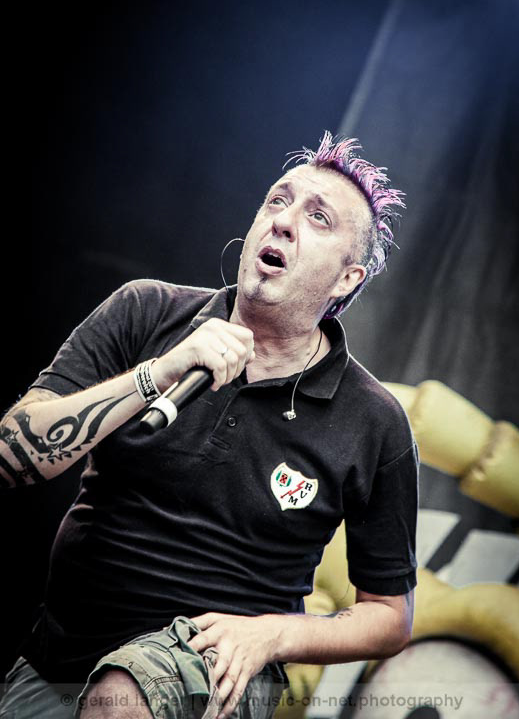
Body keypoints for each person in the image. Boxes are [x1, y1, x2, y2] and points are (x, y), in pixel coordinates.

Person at [0, 132, 419, 719]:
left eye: (317, 217)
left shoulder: (374, 421)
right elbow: (11, 456)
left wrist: (273, 635)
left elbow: (389, 616)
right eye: (278, 201)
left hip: (222, 668)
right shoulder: (146, 312)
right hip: (57, 661)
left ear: (347, 279)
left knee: (122, 698)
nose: (283, 222)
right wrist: (157, 374)